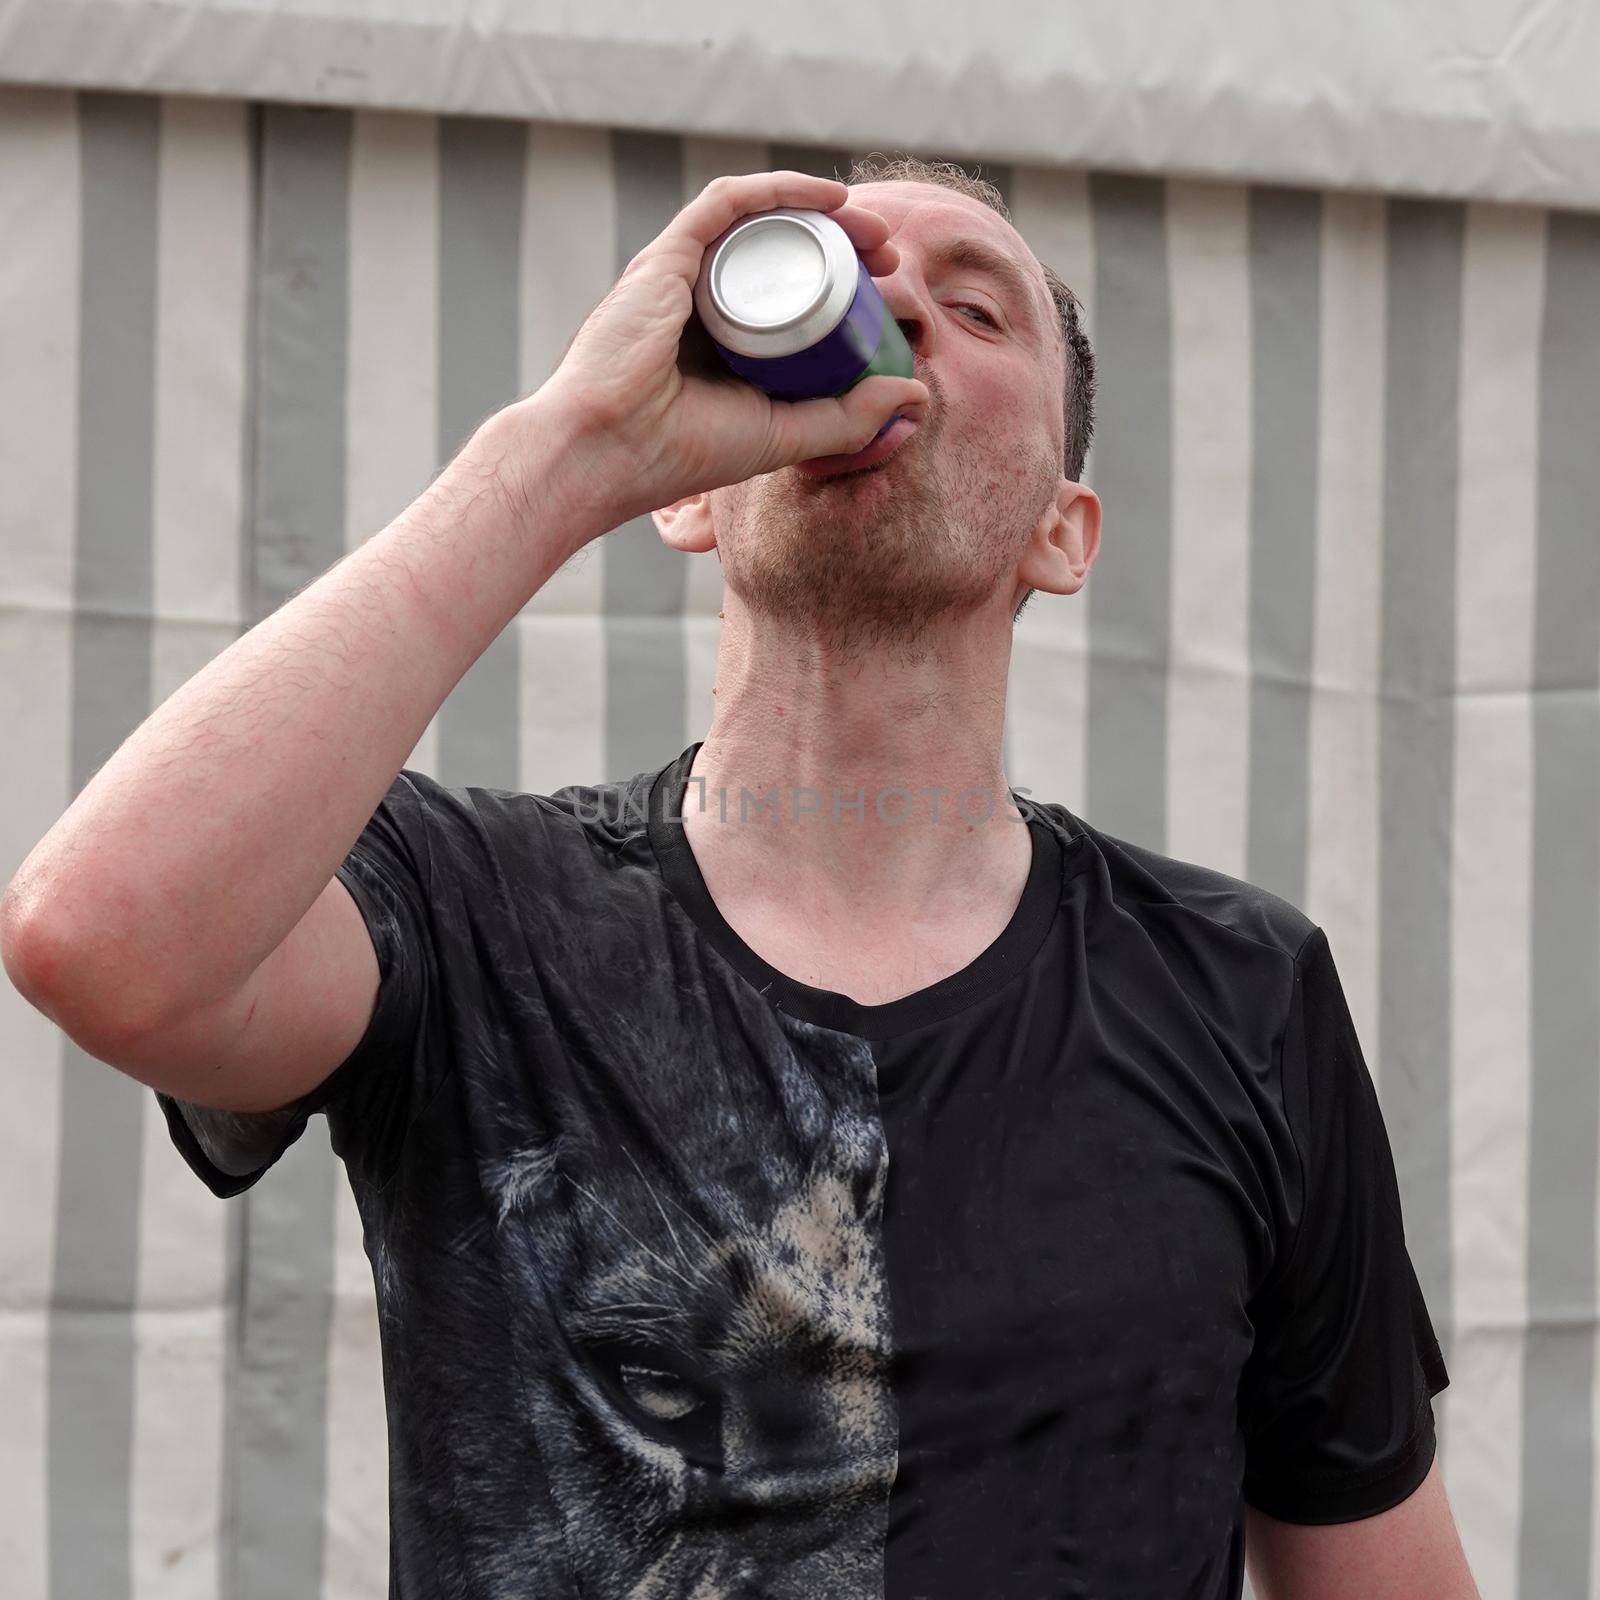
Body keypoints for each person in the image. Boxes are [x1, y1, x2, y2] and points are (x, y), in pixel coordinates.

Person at [1, 157, 1480, 1598]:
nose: (894, 304)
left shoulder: (1236, 987)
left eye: (976, 310)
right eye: (851, 275)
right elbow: (99, 937)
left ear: (1062, 533)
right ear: (692, 500)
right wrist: (572, 445)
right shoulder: (472, 912)